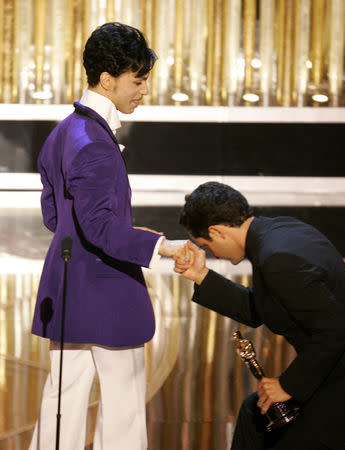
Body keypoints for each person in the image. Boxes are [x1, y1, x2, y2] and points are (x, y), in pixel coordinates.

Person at [29, 22, 190, 450]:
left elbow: (54, 215)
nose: (144, 91)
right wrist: (163, 247)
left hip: (67, 293)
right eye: (138, 81)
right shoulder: (95, 143)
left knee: (60, 404)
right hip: (107, 292)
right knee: (123, 410)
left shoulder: (64, 132)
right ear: (107, 79)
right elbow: (101, 229)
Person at [174, 181, 345, 450]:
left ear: (217, 231)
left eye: (206, 245)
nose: (213, 255)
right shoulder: (278, 234)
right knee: (255, 414)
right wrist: (200, 276)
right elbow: (262, 308)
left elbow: (335, 331)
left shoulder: (277, 257)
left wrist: (288, 384)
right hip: (340, 368)